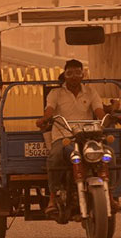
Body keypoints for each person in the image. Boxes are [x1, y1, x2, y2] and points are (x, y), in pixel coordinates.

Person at [37, 59, 111, 214]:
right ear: (64, 75)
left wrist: (108, 118)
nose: (74, 77)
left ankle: (111, 196)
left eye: (78, 72)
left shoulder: (91, 92)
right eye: (70, 73)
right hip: (63, 137)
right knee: (55, 157)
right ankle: (52, 197)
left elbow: (99, 111)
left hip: (89, 137)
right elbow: (49, 110)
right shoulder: (55, 93)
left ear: (82, 75)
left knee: (110, 156)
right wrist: (45, 119)